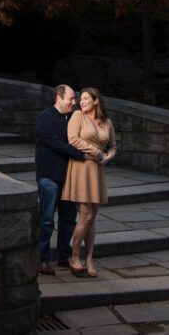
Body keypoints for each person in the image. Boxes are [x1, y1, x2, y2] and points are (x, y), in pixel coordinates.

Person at [35, 84, 90, 276]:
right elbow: (54, 143)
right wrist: (80, 153)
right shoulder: (46, 117)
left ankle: (64, 256)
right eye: (71, 99)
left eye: (75, 100)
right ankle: (42, 259)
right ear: (59, 98)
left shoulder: (72, 119)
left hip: (69, 177)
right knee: (47, 219)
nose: (74, 103)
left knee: (68, 220)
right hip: (49, 176)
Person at [62, 87, 115, 278]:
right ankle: (74, 257)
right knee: (84, 215)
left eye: (85, 99)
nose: (81, 102)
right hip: (80, 168)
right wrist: (96, 152)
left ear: (96, 101)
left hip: (97, 170)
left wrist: (107, 158)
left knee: (92, 217)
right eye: (80, 99)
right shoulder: (77, 116)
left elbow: (113, 147)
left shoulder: (107, 122)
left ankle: (89, 259)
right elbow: (72, 140)